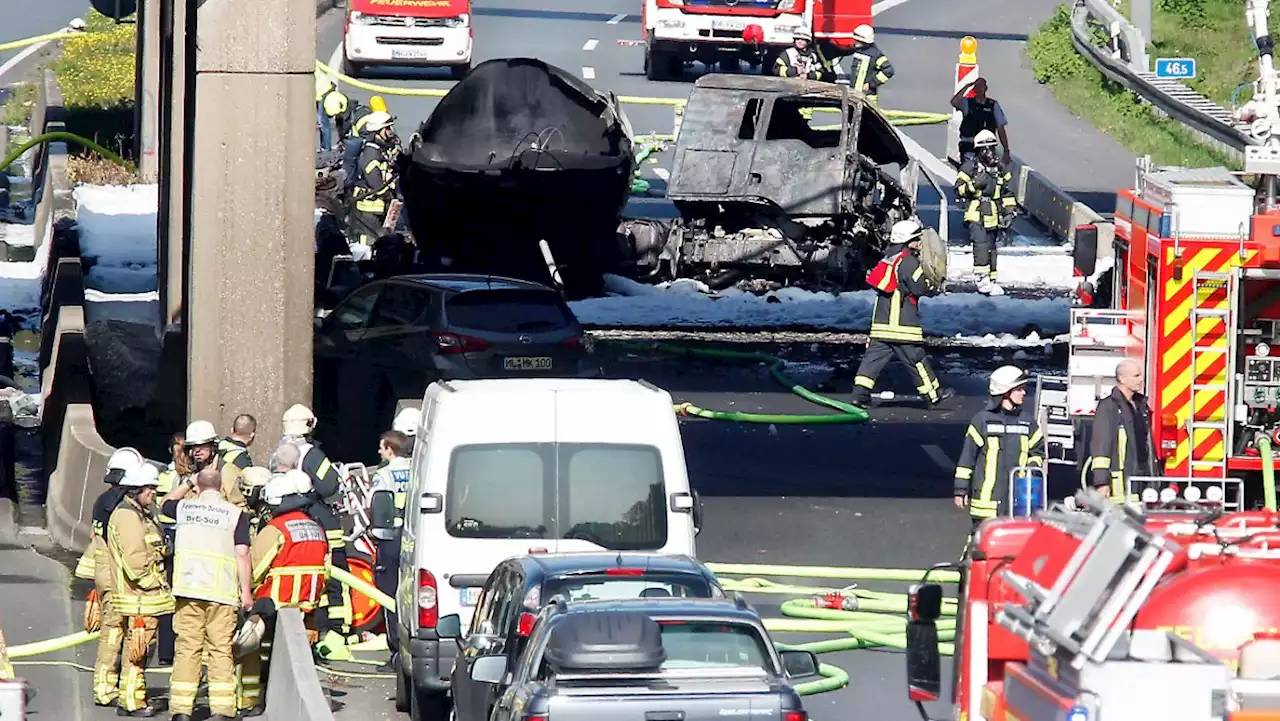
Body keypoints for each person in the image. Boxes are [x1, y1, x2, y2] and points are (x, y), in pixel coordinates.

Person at [236, 470, 330, 718]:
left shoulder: (276, 528)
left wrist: (244, 591)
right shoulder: (315, 527)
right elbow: (326, 568)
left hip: (273, 603)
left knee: (251, 649)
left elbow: (256, 565)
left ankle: (250, 699)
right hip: (307, 605)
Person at [162, 467, 254, 721]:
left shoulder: (184, 508)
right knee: (220, 650)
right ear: (222, 488)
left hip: (188, 590)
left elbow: (165, 502)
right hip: (221, 593)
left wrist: (188, 483)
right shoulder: (236, 515)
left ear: (198, 487)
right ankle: (222, 710)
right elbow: (242, 554)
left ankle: (181, 710)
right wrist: (246, 592)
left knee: (187, 649)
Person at [850, 219, 954, 408]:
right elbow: (919, 287)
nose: (920, 242)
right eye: (917, 239)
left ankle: (860, 396)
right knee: (916, 360)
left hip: (881, 324)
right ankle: (933, 395)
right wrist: (933, 281)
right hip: (902, 324)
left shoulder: (888, 259)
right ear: (909, 241)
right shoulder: (908, 262)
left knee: (871, 362)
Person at [278, 405, 353, 657]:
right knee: (338, 579)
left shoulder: (279, 453)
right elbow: (329, 483)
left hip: (294, 526)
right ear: (310, 425)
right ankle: (338, 629)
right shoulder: (311, 455)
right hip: (322, 522)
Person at [76, 447, 143, 709]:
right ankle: (106, 688)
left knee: (112, 631)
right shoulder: (121, 507)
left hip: (104, 573)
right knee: (114, 631)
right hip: (116, 575)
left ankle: (107, 685)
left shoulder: (101, 501)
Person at [106, 463, 175, 717]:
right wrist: (156, 583)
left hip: (145, 599)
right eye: (151, 489)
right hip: (139, 598)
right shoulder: (127, 516)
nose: (154, 494)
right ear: (137, 490)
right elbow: (135, 562)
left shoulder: (141, 513)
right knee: (138, 651)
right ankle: (133, 702)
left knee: (140, 651)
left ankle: (130, 698)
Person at [953, 366, 1046, 527]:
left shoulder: (1027, 422)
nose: (1024, 393)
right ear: (1005, 391)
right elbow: (967, 458)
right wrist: (960, 490)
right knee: (981, 547)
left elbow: (1038, 452)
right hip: (986, 503)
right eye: (1019, 389)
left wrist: (1031, 467)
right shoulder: (982, 421)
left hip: (1018, 501)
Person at [368, 430, 412, 671]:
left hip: (391, 538)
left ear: (390, 450)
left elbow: (376, 505)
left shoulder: (384, 474)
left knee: (390, 595)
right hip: (413, 536)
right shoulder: (419, 469)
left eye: (381, 447)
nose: (378, 451)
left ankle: (395, 652)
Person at [954, 129, 1017, 297]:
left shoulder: (1000, 169)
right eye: (985, 149)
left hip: (994, 214)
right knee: (981, 246)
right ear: (978, 151)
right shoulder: (970, 168)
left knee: (991, 248)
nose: (989, 153)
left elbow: (1007, 192)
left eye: (992, 148)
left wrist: (1010, 211)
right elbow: (958, 189)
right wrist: (974, 185)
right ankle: (981, 279)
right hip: (977, 213)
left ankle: (992, 278)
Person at [1087, 358, 1159, 500]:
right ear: (1122, 379)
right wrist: (1102, 482)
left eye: (1141, 375)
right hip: (1120, 484)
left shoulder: (1141, 407)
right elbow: (1101, 447)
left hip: (1142, 479)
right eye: (1136, 376)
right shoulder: (1108, 408)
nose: (1141, 380)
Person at [154, 432, 191, 666]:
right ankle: (179, 648)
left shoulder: (162, 477)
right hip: (184, 538)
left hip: (165, 539)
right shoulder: (192, 480)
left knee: (168, 596)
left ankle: (166, 651)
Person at [348, 111, 401, 246]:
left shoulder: (379, 151)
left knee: (379, 238)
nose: (391, 132)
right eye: (387, 128)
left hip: (376, 207)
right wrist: (389, 195)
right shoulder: (370, 154)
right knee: (370, 240)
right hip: (367, 208)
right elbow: (376, 183)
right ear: (378, 132)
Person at [183, 420, 248, 510]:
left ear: (213, 446)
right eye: (193, 446)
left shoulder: (226, 470)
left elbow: (239, 507)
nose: (197, 450)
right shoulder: (191, 472)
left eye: (202, 445)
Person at [951, 77, 1011, 165]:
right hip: (969, 143)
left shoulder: (993, 105)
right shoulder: (967, 103)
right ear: (974, 89)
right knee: (969, 169)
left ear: (986, 88)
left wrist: (1006, 150)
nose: (979, 89)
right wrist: (967, 86)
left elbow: (1001, 128)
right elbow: (954, 102)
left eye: (981, 86)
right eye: (977, 86)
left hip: (987, 145)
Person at [847, 24, 894, 104]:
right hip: (855, 94)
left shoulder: (875, 55)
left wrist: (871, 83)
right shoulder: (859, 51)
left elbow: (888, 71)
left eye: (858, 40)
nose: (855, 42)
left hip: (868, 97)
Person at [314, 70, 349, 152]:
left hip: (323, 92)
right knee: (324, 123)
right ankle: (330, 145)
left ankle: (326, 148)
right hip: (325, 90)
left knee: (323, 123)